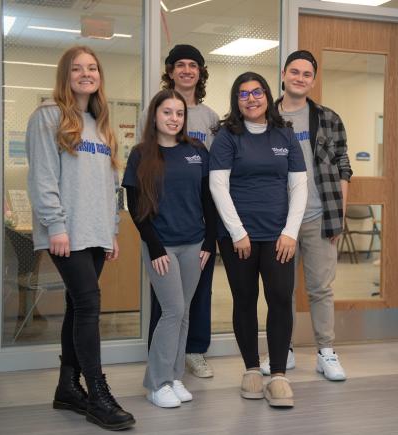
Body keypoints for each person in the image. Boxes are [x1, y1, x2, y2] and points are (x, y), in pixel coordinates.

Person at [25, 45, 135, 430]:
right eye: (77, 68)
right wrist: (55, 225)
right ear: (65, 75)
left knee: (77, 306)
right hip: (66, 233)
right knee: (89, 304)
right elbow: (42, 178)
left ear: (99, 76)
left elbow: (109, 185)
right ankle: (98, 394)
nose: (86, 74)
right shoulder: (48, 116)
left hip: (95, 232)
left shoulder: (100, 123)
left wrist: (113, 230)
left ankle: (67, 387)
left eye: (92, 68)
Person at [209, 72, 307, 408]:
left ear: (268, 95)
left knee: (280, 298)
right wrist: (238, 232)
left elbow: (299, 186)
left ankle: (278, 375)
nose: (251, 99)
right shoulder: (226, 136)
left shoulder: (285, 134)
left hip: (280, 234)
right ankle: (251, 369)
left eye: (257, 92)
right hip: (239, 237)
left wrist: (291, 232)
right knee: (245, 299)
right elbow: (218, 186)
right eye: (243, 94)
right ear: (236, 101)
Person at [260, 50, 352, 381]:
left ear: (313, 80)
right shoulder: (264, 116)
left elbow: (344, 167)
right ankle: (282, 349)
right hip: (277, 221)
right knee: (279, 290)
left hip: (317, 217)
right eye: (294, 72)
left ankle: (325, 352)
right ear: (283, 74)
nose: (300, 78)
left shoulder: (329, 119)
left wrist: (337, 216)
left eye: (307, 74)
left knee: (320, 289)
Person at [123, 89, 217, 408]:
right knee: (173, 309)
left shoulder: (197, 151)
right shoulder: (140, 154)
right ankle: (156, 382)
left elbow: (209, 199)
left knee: (184, 311)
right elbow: (135, 205)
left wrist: (209, 241)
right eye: (167, 112)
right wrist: (155, 246)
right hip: (161, 245)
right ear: (155, 115)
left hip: (195, 243)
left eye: (179, 113)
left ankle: (174, 376)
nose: (174, 118)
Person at [137, 44, 219, 378]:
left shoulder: (210, 117)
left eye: (193, 66)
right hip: (164, 223)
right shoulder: (156, 107)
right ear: (170, 71)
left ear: (200, 73)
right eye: (180, 65)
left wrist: (210, 231)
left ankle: (194, 351)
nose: (187, 70)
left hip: (196, 222)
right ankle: (162, 360)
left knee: (199, 292)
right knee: (168, 300)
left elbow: (212, 175)